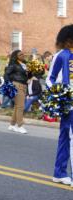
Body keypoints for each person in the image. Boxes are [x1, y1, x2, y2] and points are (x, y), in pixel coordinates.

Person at [46, 24, 73, 186]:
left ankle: (59, 172)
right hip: (69, 103)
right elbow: (50, 78)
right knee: (69, 137)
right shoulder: (61, 55)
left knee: (65, 138)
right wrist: (60, 94)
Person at [4, 50, 29, 134]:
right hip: (17, 85)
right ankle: (20, 126)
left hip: (24, 86)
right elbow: (6, 74)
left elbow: (28, 75)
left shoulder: (25, 64)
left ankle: (12, 125)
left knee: (17, 106)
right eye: (20, 54)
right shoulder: (14, 65)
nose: (23, 55)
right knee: (20, 107)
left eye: (23, 53)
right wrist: (9, 85)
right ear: (16, 56)